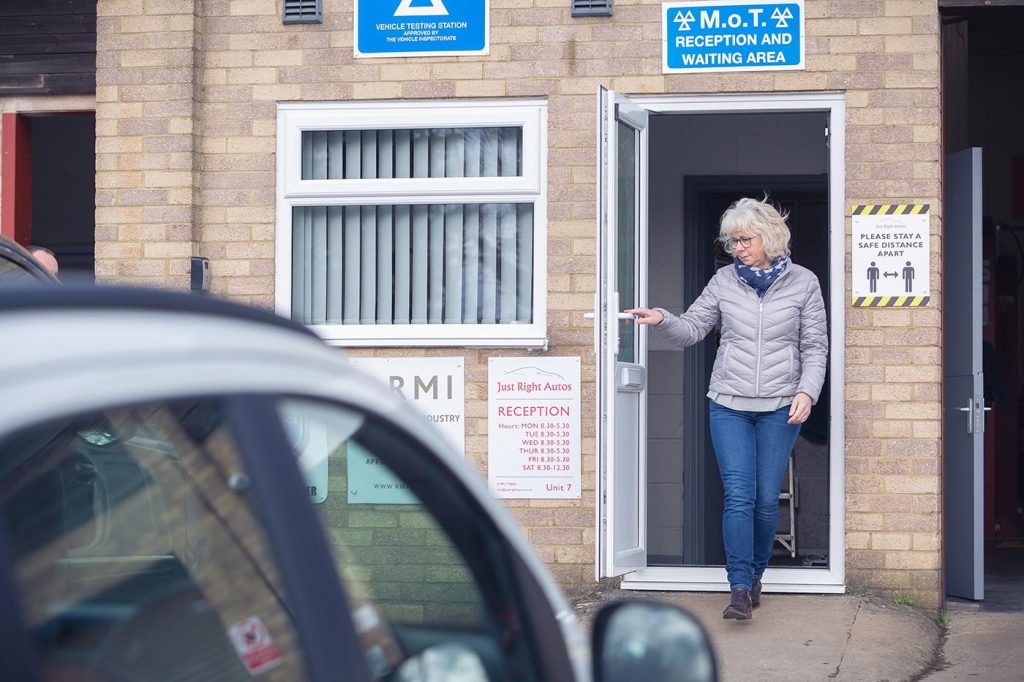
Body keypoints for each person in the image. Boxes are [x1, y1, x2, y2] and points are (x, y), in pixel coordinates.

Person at [626, 197, 828, 621]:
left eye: (744, 239)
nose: (737, 248)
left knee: (765, 500)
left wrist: (807, 392)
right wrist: (662, 318)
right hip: (729, 404)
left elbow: (814, 346)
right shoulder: (723, 282)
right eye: (733, 241)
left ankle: (756, 575)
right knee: (738, 496)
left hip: (779, 405)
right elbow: (693, 328)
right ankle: (738, 587)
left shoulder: (804, 283)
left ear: (770, 237)